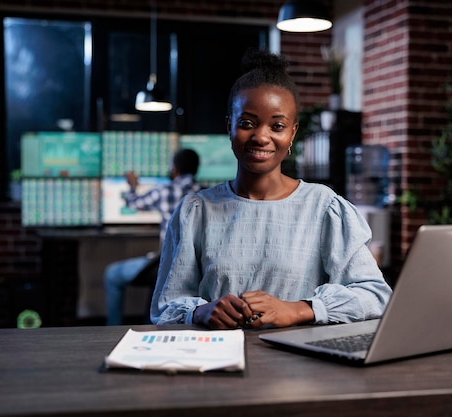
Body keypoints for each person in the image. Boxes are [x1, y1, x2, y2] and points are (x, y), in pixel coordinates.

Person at [151, 49, 392, 329]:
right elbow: (165, 308)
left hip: (301, 365)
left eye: (277, 126)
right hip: (215, 362)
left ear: (292, 133)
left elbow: (375, 295)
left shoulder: (324, 207)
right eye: (246, 123)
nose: (261, 136)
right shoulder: (196, 212)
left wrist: (299, 309)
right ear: (230, 126)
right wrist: (200, 311)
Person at [104, 148, 201, 325]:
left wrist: (132, 186)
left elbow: (133, 202)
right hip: (194, 270)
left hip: (165, 265)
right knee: (158, 281)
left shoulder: (164, 190)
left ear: (174, 169)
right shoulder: (205, 193)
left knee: (112, 274)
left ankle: (112, 330)